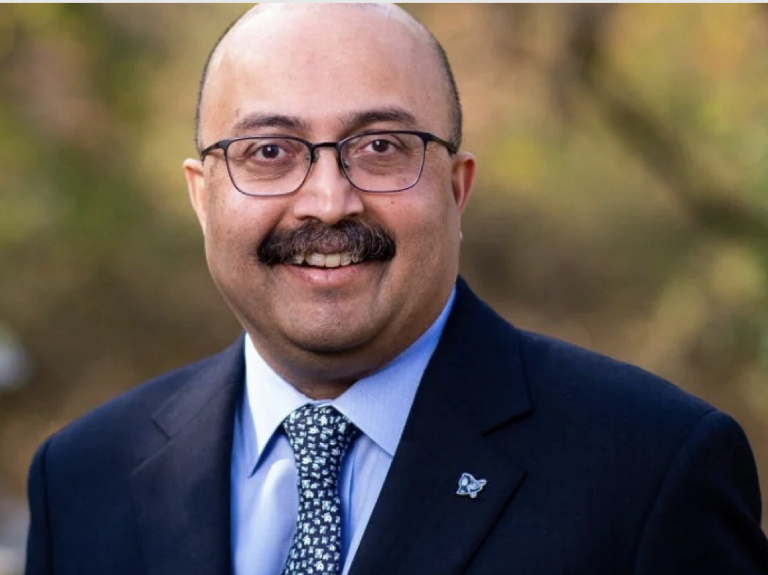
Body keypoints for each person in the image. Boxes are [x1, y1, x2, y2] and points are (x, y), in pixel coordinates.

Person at [24, 4, 768, 574]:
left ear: (457, 188)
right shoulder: (83, 478)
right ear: (202, 196)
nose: (327, 201)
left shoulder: (652, 469)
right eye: (269, 151)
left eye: (380, 146)